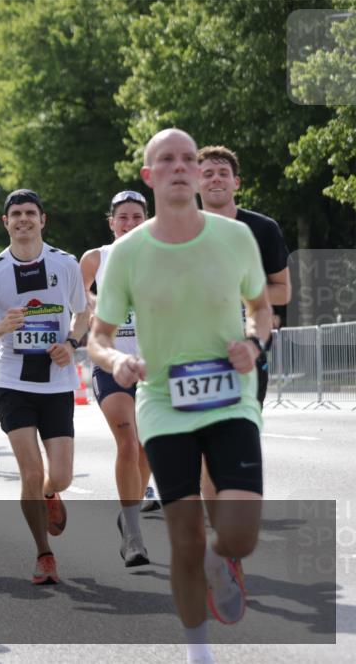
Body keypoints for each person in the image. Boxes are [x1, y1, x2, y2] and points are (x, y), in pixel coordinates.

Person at [88, 128, 271, 664]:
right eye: (166, 159)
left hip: (230, 395)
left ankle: (223, 561)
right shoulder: (125, 253)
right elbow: (96, 338)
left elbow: (261, 307)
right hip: (165, 403)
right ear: (150, 177)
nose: (179, 166)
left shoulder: (234, 238)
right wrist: (118, 360)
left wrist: (254, 344)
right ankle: (198, 653)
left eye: (188, 159)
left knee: (237, 536)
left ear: (197, 172)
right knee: (185, 539)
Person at [0, 189, 90, 585]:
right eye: (15, 214)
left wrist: (70, 344)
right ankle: (44, 554)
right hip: (13, 381)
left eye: (30, 213)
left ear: (42, 219)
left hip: (56, 382)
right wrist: (2, 327)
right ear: (6, 222)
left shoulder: (64, 263)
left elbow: (83, 315)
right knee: (30, 473)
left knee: (62, 476)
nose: (23, 220)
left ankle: (53, 495)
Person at [80, 191, 151, 567]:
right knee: (127, 439)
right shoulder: (96, 258)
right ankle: (135, 538)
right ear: (111, 222)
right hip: (111, 363)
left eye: (137, 217)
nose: (129, 223)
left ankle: (129, 514)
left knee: (148, 449)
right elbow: (79, 298)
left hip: (154, 365)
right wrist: (93, 308)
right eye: (122, 217)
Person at [198, 145, 290, 407]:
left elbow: (284, 290)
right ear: (195, 181)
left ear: (236, 182)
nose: (216, 178)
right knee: (200, 441)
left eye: (223, 173)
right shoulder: (178, 231)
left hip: (247, 350)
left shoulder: (263, 229)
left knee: (240, 440)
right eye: (208, 174)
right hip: (193, 353)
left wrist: (233, 290)